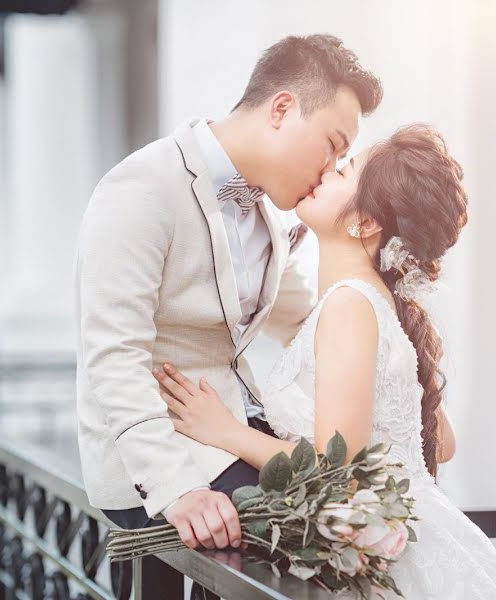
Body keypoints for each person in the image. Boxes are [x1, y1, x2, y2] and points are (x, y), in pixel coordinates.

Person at [154, 125, 496, 599]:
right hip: (416, 537)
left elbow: (341, 475)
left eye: (343, 170)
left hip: (392, 556)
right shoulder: (379, 305)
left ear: (365, 222)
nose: (325, 170)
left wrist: (227, 432)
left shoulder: (350, 307)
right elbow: (441, 444)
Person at [74, 34, 383, 599]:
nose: (331, 169)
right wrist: (177, 490)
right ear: (283, 109)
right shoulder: (140, 187)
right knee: (325, 543)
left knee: (345, 529)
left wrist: (397, 349)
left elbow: (309, 319)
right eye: (332, 147)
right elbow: (113, 357)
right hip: (162, 462)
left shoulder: (266, 209)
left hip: (233, 440)